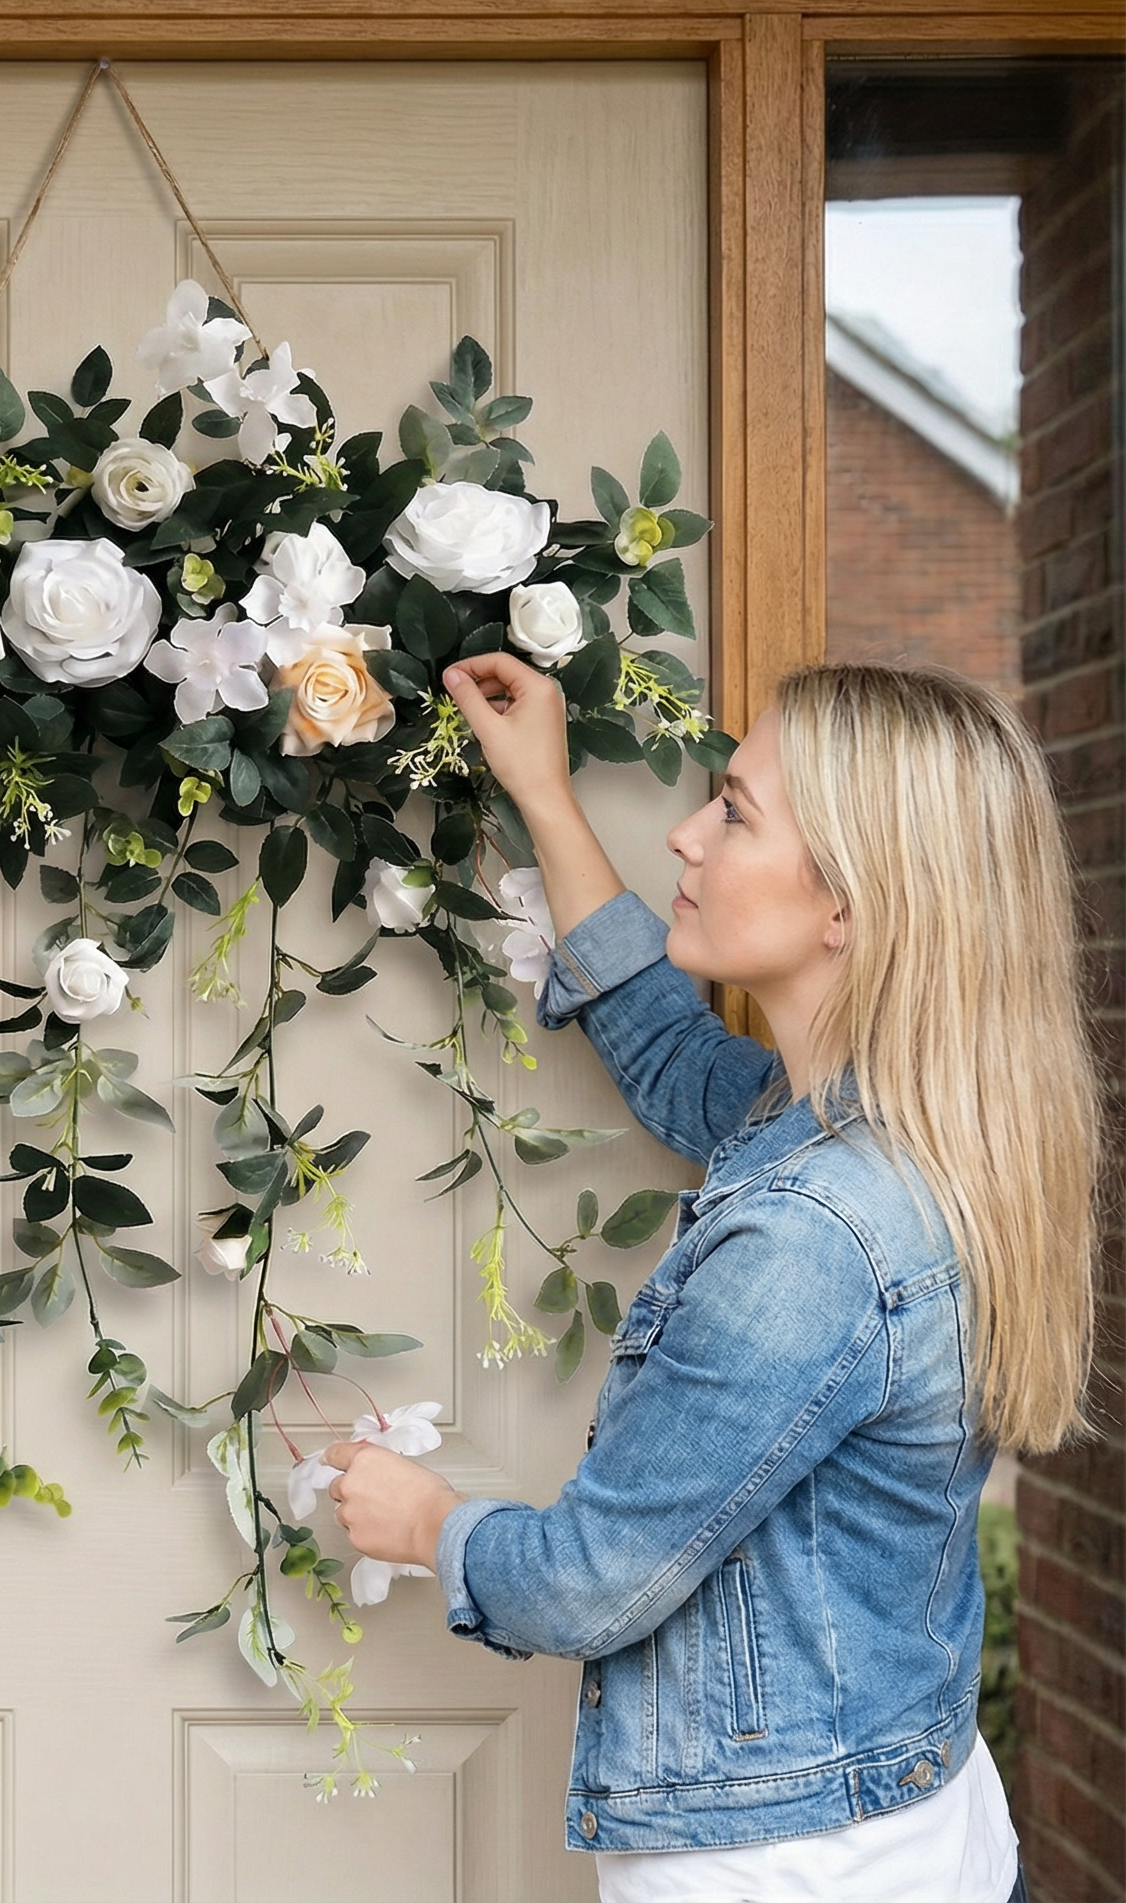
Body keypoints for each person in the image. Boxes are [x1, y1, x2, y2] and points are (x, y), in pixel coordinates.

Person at [324, 653, 1099, 1903]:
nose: (683, 833)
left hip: (791, 1871)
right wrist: (545, 794)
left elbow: (588, 1582)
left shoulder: (814, 1233)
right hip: (915, 1820)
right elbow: (671, 1051)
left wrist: (424, 1524)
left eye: (733, 809)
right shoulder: (874, 1133)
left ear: (848, 900)